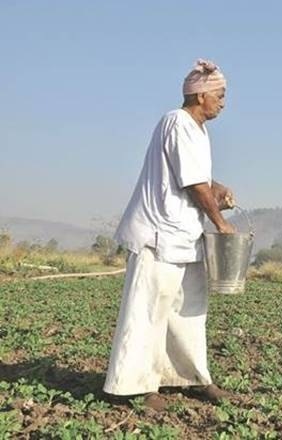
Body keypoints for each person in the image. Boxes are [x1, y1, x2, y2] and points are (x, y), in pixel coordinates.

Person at [103, 59, 236, 411]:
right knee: (148, 310)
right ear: (201, 95)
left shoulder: (198, 130)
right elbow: (192, 183)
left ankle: (190, 377)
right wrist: (220, 222)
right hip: (158, 234)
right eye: (220, 95)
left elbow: (196, 176)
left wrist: (217, 189)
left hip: (184, 235)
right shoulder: (177, 122)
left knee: (187, 309)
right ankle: (138, 386)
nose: (223, 103)